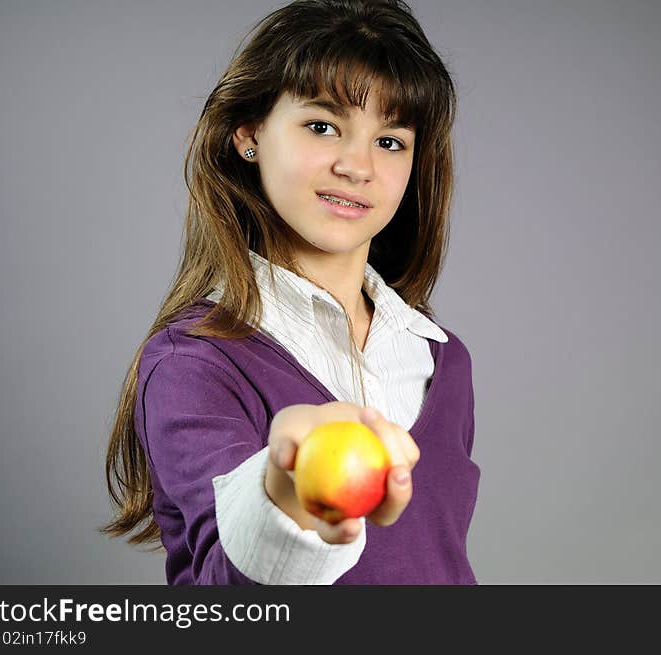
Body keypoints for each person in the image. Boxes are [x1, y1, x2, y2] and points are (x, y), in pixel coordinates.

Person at [101, 0, 480, 585]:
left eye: (390, 140)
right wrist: (285, 494)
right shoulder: (193, 361)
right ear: (249, 134)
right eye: (323, 126)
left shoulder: (441, 358)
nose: (357, 166)